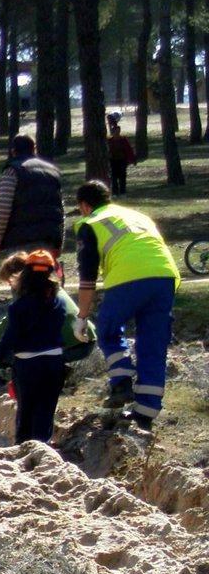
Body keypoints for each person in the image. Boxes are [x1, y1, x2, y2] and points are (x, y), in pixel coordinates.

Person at [73, 179, 180, 429]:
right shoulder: (137, 216)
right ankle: (145, 414)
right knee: (153, 344)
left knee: (108, 329)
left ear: (85, 206)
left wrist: (82, 316)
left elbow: (87, 279)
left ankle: (121, 381)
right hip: (165, 277)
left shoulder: (91, 223)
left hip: (129, 277)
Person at [0, 251, 68, 444]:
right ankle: (42, 448)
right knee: (45, 410)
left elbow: (10, 337)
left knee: (26, 410)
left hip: (28, 366)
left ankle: (23, 448)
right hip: (54, 363)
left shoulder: (19, 307)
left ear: (25, 274)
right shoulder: (59, 303)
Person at [0, 251, 96, 366]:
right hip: (86, 339)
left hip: (72, 345)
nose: (11, 286)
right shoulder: (51, 286)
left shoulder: (33, 294)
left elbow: (11, 323)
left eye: (10, 282)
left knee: (12, 356)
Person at [0, 135, 65, 263]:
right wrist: (59, 241)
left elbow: (4, 208)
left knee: (21, 275)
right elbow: (60, 208)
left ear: (13, 151)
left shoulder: (12, 171)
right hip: (49, 238)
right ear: (34, 149)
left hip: (20, 240)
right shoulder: (53, 171)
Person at [106, 121, 137, 198]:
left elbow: (128, 150)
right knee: (113, 177)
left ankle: (122, 192)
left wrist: (132, 160)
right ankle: (115, 193)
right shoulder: (109, 141)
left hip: (122, 160)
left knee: (122, 177)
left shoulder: (123, 140)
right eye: (115, 131)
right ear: (112, 132)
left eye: (118, 131)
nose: (117, 133)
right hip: (112, 161)